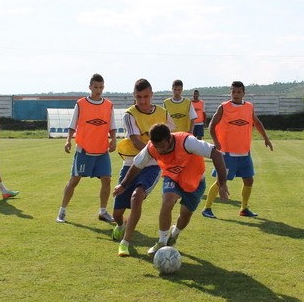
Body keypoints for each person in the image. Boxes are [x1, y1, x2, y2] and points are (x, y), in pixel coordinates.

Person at [113, 123, 229, 256]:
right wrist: (123, 185)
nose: (159, 150)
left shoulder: (187, 142)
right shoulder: (152, 148)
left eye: (162, 146)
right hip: (172, 178)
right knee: (167, 201)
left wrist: (222, 183)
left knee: (185, 215)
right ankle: (162, 241)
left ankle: (175, 233)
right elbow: (137, 165)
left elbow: (216, 154)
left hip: (195, 181)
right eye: (156, 146)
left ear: (170, 139)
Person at [112, 79, 175, 257]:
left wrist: (164, 157)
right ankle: (120, 224)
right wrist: (155, 151)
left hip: (152, 166)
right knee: (117, 213)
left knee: (136, 196)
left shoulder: (163, 113)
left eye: (146, 96)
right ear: (134, 96)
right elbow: (135, 140)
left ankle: (125, 242)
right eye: (139, 97)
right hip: (131, 164)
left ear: (152, 95)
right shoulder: (129, 114)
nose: (143, 101)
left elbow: (173, 137)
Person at [201, 81, 273, 219]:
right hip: (227, 153)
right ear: (230, 92)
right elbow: (212, 125)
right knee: (220, 182)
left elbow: (257, 122)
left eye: (238, 92)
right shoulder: (224, 107)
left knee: (249, 180)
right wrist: (216, 141)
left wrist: (266, 138)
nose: (236, 94)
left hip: (244, 153)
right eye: (233, 92)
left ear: (243, 93)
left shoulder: (249, 107)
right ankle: (207, 208)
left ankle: (244, 208)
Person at [56, 74, 116, 223]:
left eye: (101, 87)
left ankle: (103, 212)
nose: (98, 90)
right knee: (74, 181)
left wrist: (114, 140)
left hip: (102, 151)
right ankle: (62, 211)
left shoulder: (109, 105)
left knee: (107, 180)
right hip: (84, 150)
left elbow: (112, 126)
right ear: (90, 87)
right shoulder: (81, 103)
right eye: (95, 87)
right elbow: (72, 124)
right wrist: (68, 140)